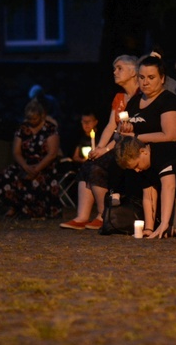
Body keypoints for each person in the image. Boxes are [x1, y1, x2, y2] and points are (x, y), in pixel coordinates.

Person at [59, 55, 140, 230]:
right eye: (114, 68)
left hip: (131, 146)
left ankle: (104, 214)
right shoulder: (119, 97)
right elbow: (112, 125)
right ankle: (82, 216)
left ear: (133, 72)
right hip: (116, 144)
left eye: (119, 68)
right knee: (89, 162)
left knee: (97, 166)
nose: (115, 72)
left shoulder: (140, 97)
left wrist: (106, 149)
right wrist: (100, 148)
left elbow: (125, 133)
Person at [0, 99, 62, 219]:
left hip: (44, 165)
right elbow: (16, 151)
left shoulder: (50, 129)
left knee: (35, 181)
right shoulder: (22, 129)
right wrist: (25, 166)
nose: (32, 122)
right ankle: (13, 206)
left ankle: (34, 210)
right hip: (25, 163)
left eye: (35, 118)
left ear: (41, 116)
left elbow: (52, 153)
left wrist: (36, 169)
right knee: (4, 178)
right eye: (30, 119)